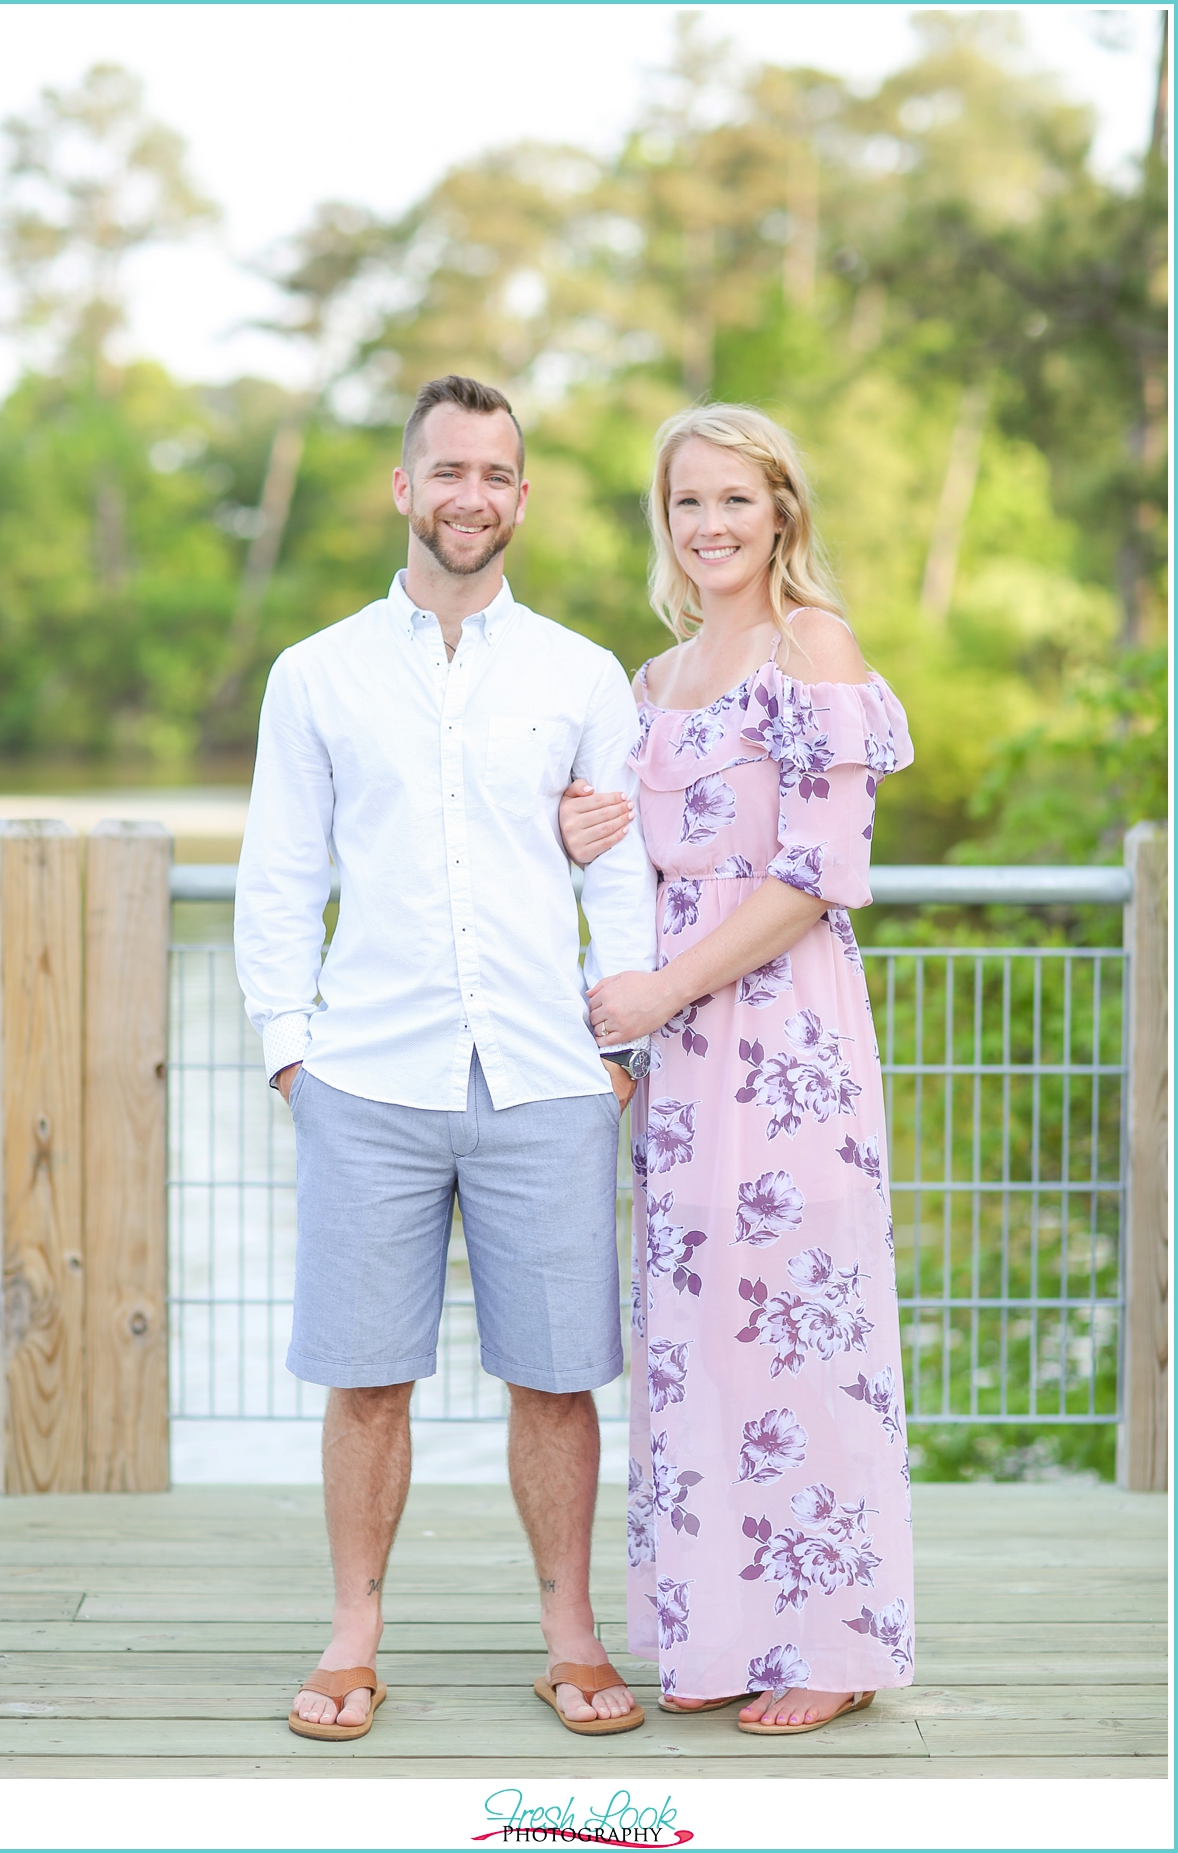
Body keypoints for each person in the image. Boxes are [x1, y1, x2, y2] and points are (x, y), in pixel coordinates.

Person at [234, 374, 657, 1741]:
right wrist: (292, 1052)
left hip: (547, 1075)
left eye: (497, 473)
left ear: (521, 498)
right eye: (448, 470)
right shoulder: (318, 673)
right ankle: (353, 1635)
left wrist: (620, 1035)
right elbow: (280, 873)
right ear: (404, 490)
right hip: (369, 1079)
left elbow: (624, 868)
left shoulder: (581, 675)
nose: (472, 494)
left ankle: (573, 1638)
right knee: (367, 1376)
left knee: (557, 1374)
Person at [558, 403, 915, 1736]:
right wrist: (582, 825)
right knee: (698, 1340)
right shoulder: (649, 685)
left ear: (782, 510)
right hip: (682, 1067)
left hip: (788, 1049)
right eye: (686, 501)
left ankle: (835, 1642)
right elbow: (632, 874)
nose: (709, 523)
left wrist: (659, 990)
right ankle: (721, 1627)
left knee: (808, 1330)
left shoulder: (809, 647)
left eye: (733, 498)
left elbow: (826, 874)